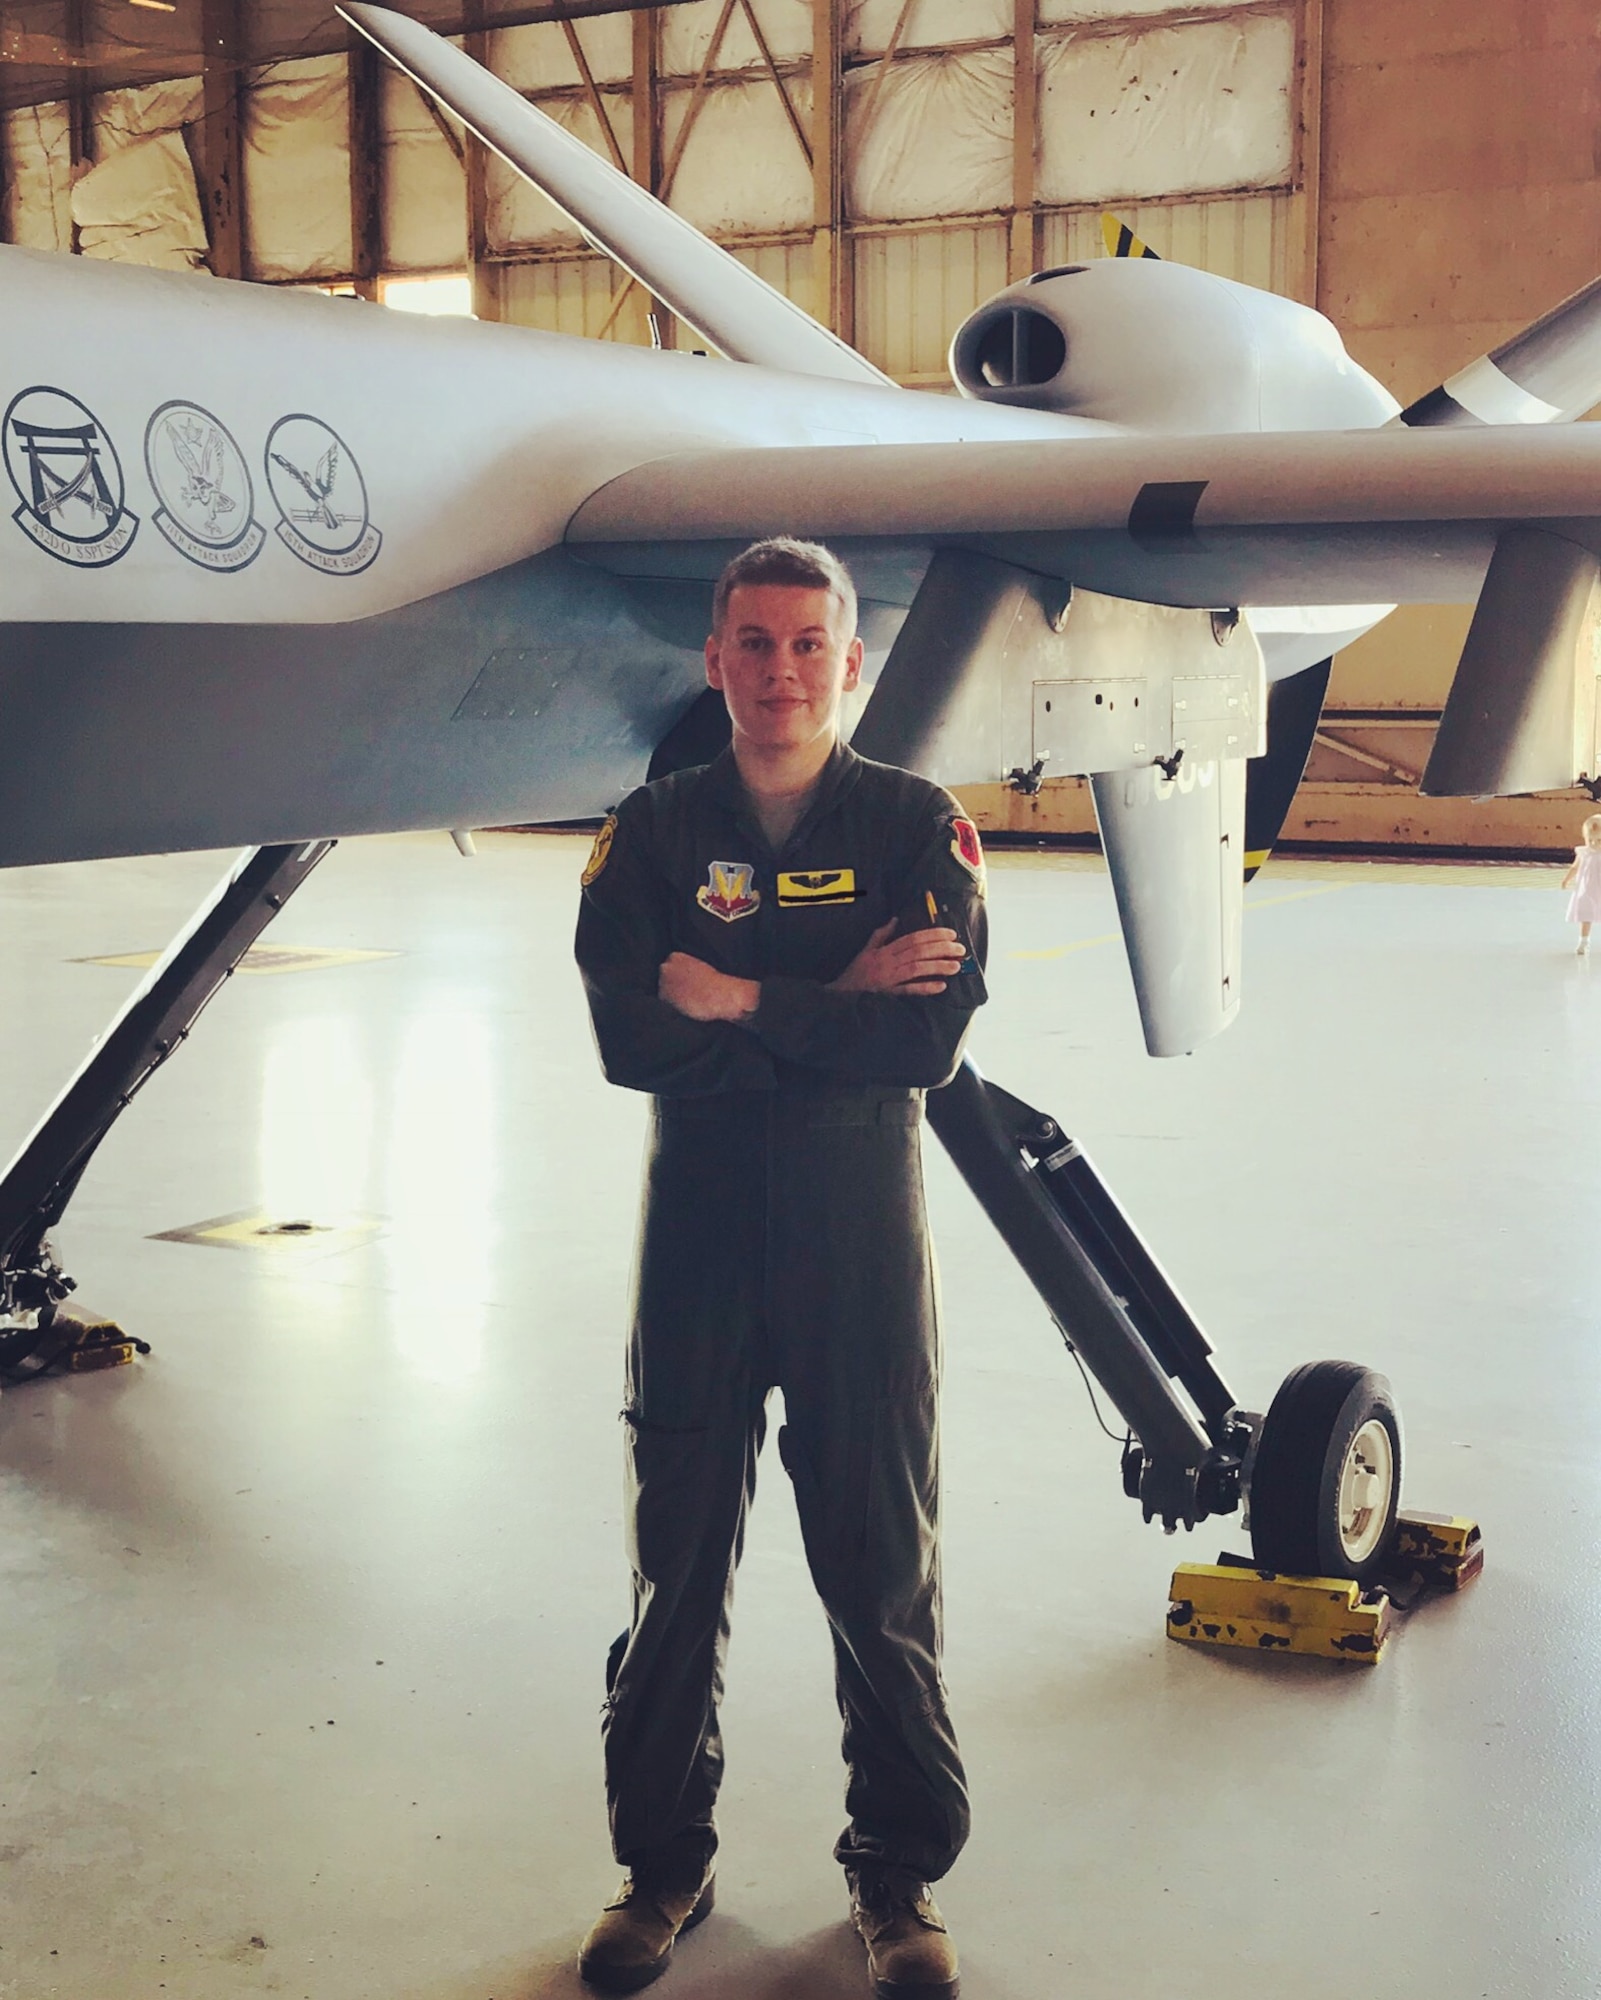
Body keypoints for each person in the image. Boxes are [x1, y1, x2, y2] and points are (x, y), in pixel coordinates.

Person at [573, 537, 989, 1999]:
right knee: (673, 1555)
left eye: (809, 645)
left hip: (856, 1236)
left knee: (877, 1560)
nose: (780, 672)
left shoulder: (916, 827)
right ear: (713, 662)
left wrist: (741, 995)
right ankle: (662, 1866)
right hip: (694, 1236)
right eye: (753, 644)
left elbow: (925, 1042)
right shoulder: (654, 833)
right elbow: (633, 1034)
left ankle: (897, 1874)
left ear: (851, 663)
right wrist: (835, 996)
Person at [1562, 813, 1601, 956]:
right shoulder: (1584, 853)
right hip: (1588, 889)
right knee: (1586, 914)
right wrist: (1566, 879)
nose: (1594, 844)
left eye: (1599, 840)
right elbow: (1575, 867)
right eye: (1590, 840)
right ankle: (1584, 941)